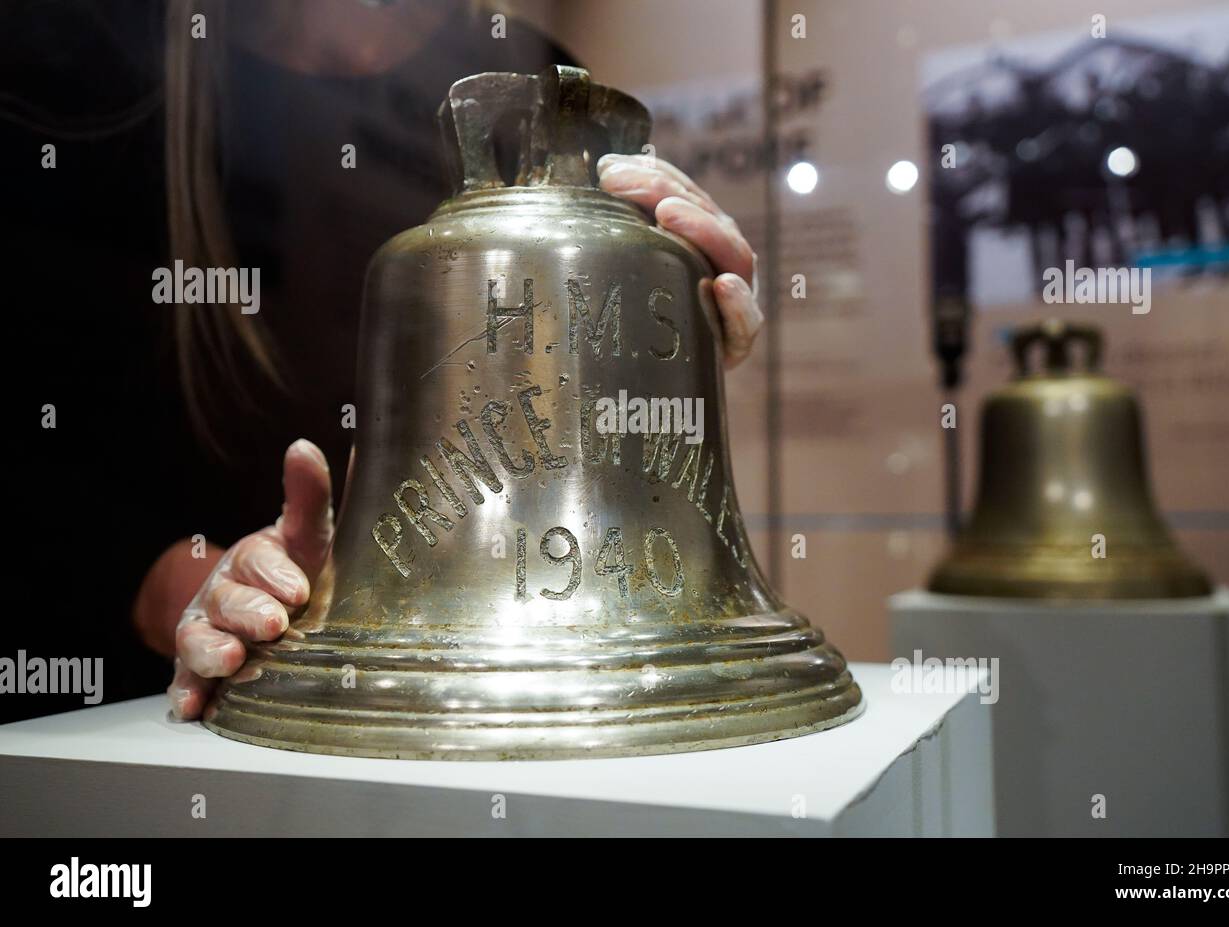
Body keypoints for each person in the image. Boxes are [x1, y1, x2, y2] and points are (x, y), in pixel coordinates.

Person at [0, 1, 762, 722]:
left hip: (501, 690)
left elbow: (556, 417)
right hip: (149, 706)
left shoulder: (530, 79)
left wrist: (658, 332)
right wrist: (175, 584)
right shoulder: (78, 57)